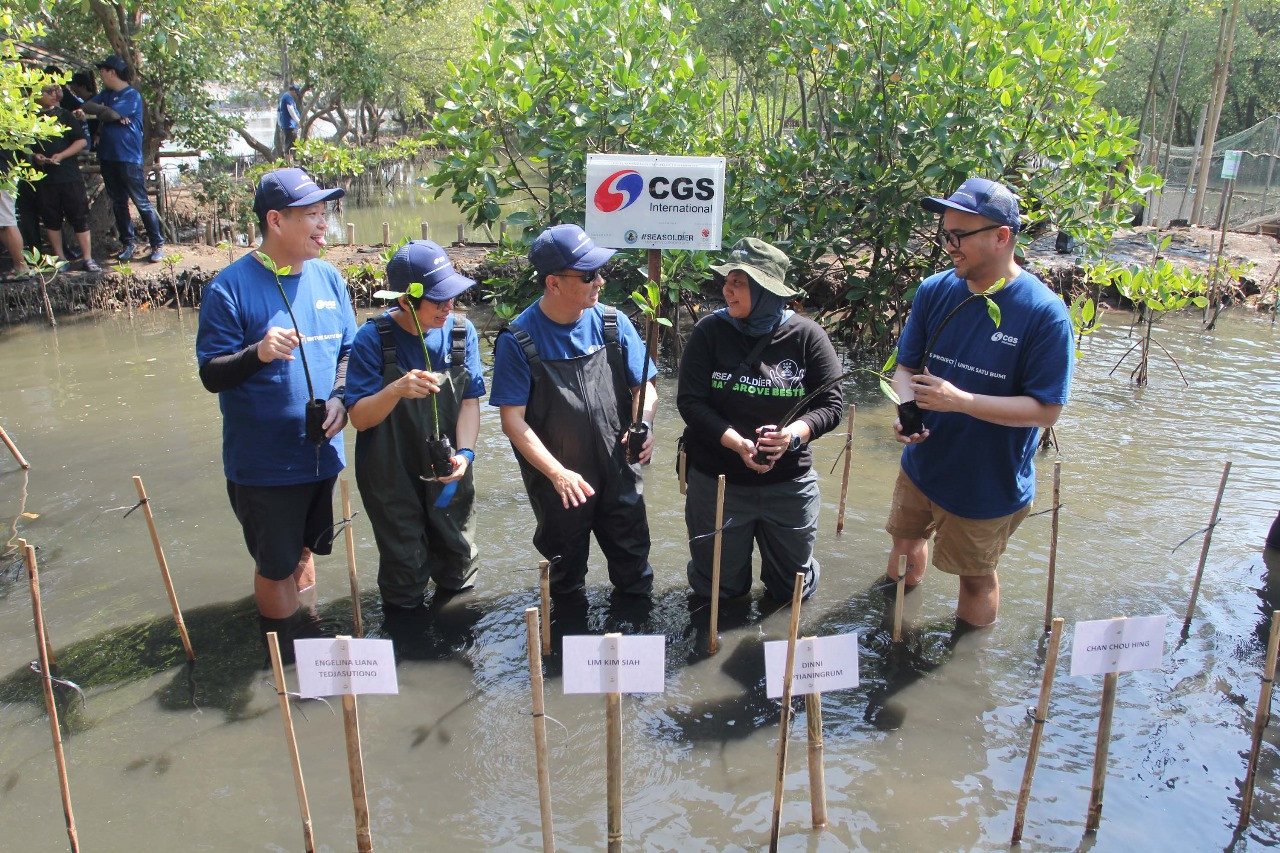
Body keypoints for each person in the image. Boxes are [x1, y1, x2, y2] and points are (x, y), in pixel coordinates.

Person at [884, 177, 1073, 628]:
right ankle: (891, 627)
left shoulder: (1044, 314)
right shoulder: (935, 290)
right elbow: (906, 368)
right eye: (944, 235)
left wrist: (962, 401)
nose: (948, 246)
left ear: (1001, 236)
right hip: (922, 463)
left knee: (975, 578)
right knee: (904, 546)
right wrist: (906, 412)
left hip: (987, 481)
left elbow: (1048, 410)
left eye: (959, 235)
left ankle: (964, 664)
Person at [195, 167, 354, 642]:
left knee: (305, 551)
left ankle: (306, 632)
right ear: (276, 221)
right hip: (265, 465)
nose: (323, 224)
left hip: (322, 454)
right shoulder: (229, 288)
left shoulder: (330, 279)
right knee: (275, 564)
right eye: (311, 215)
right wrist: (259, 353)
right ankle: (285, 656)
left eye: (324, 214)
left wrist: (341, 399)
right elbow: (211, 373)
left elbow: (348, 351)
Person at [490, 224, 657, 599]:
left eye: (599, 271)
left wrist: (643, 424)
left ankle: (633, 650)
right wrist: (557, 473)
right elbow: (512, 422)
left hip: (619, 470)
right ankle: (563, 653)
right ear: (553, 283)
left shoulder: (614, 323)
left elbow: (643, 387)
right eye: (587, 275)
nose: (600, 281)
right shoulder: (517, 340)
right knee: (564, 583)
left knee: (635, 574)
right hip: (561, 486)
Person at [677, 237, 843, 602]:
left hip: (788, 484)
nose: (727, 290)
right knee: (719, 589)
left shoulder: (806, 335)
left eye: (739, 283)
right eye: (728, 281)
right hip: (717, 481)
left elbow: (831, 405)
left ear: (767, 289)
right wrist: (737, 443)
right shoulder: (709, 332)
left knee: (792, 589)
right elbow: (690, 402)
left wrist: (792, 436)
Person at [345, 240, 484, 610]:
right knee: (404, 566)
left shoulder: (460, 332)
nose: (448, 306)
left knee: (459, 561)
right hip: (391, 474)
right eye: (438, 300)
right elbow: (358, 417)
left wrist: (466, 454)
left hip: (450, 470)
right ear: (406, 301)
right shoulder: (372, 339)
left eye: (452, 296)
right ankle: (406, 649)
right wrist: (395, 390)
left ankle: (458, 649)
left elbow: (470, 401)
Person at [91, 54, 164, 263]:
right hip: (107, 157)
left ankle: (157, 243)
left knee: (141, 202)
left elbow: (112, 116)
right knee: (118, 202)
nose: (101, 75)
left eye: (103, 71)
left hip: (128, 158)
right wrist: (105, 112)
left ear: (112, 72)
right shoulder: (105, 94)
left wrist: (107, 114)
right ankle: (128, 242)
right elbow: (89, 107)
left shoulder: (131, 95)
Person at [31, 84, 100, 272]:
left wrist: (61, 155)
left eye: (56, 92)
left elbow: (81, 141)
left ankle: (87, 258)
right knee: (51, 218)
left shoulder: (64, 115)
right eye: (48, 92)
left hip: (69, 175)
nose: (54, 96)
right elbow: (27, 146)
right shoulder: (30, 119)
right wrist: (36, 157)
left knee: (79, 216)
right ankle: (60, 259)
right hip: (44, 177)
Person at [277, 85, 301, 162]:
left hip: (287, 124)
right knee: (291, 144)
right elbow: (290, 109)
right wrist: (298, 121)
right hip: (290, 125)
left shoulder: (284, 97)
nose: (296, 95)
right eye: (296, 93)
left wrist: (280, 123)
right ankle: (289, 162)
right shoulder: (288, 97)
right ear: (293, 91)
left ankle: (290, 161)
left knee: (290, 143)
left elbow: (278, 112)